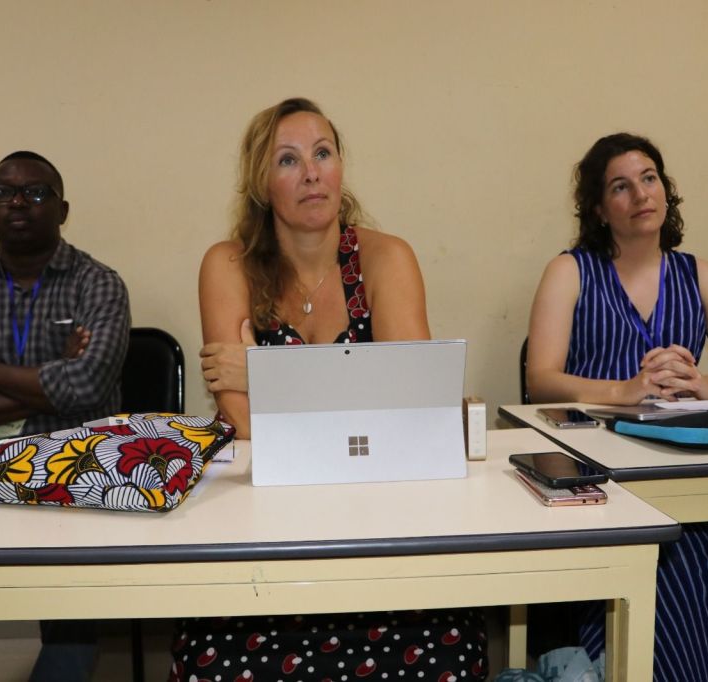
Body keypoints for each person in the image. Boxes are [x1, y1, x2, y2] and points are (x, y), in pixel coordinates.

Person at [180, 98, 486, 680]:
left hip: (381, 515)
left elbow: (412, 405)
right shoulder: (228, 263)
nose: (311, 173)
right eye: (288, 160)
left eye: (322, 154)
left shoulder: (386, 258)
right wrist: (351, 392)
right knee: (215, 662)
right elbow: (243, 423)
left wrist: (262, 373)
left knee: (442, 654)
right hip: (268, 520)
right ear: (261, 183)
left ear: (341, 168)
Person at [525, 132, 708, 681]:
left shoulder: (700, 274)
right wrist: (626, 389)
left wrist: (706, 385)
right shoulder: (570, 271)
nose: (641, 194)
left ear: (666, 189)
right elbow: (540, 380)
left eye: (649, 179)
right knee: (673, 589)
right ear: (598, 208)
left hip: (692, 462)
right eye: (620, 186)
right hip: (609, 473)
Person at [0, 150, 130, 682]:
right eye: (2, 193)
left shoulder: (99, 284)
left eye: (35, 192)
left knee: (73, 583)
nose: (17, 202)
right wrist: (55, 376)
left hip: (79, 466)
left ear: (63, 210)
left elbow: (89, 385)